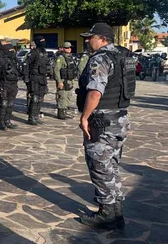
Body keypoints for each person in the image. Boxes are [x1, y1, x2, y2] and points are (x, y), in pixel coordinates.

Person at [77, 23, 135, 230]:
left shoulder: (101, 58)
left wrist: (85, 117)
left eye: (90, 37)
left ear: (102, 39)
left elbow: (95, 92)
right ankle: (115, 208)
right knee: (111, 164)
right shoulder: (122, 58)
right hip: (119, 119)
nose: (87, 40)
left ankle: (108, 213)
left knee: (99, 166)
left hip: (102, 121)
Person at [0, 41, 21, 130]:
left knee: (10, 104)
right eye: (10, 50)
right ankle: (1, 122)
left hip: (13, 85)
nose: (12, 52)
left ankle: (7, 121)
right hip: (4, 84)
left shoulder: (14, 60)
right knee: (3, 104)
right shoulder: (0, 60)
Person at [24, 36, 49, 125]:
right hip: (34, 78)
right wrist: (26, 78)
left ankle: (36, 116)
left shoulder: (45, 52)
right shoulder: (34, 52)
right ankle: (31, 117)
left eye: (44, 41)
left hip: (42, 78)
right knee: (34, 98)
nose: (43, 42)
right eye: (41, 41)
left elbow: (46, 64)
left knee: (40, 98)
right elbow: (26, 64)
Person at [53, 42, 78, 120]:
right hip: (63, 80)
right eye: (67, 48)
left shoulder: (70, 57)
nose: (69, 49)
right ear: (63, 48)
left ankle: (64, 111)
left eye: (70, 47)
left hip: (69, 80)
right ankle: (60, 113)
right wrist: (59, 81)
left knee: (68, 96)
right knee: (62, 96)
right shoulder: (61, 57)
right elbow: (56, 70)